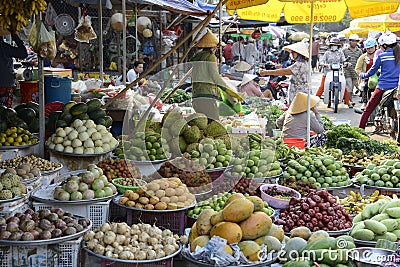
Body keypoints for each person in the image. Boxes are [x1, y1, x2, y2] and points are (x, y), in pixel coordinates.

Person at [190, 30, 244, 120]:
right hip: (206, 96)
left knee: (204, 125)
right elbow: (216, 78)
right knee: (214, 123)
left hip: (196, 95)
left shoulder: (198, 58)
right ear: (213, 47)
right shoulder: (210, 57)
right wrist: (232, 92)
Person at [358, 31, 400, 129]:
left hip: (383, 87)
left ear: (385, 45)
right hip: (397, 87)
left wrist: (363, 75)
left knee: (368, 109)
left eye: (380, 45)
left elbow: (371, 72)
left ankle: (360, 129)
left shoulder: (382, 56)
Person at [315, 38, 351, 107]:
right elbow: (322, 61)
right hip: (328, 72)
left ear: (338, 46)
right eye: (333, 45)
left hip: (338, 72)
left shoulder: (340, 53)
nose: (334, 46)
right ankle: (314, 102)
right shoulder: (327, 53)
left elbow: (344, 60)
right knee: (322, 87)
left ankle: (347, 101)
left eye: (336, 45)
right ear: (330, 45)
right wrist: (323, 64)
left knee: (343, 85)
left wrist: (347, 63)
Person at [0, 33, 28, 107]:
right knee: (5, 112)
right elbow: (23, 53)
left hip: (5, 83)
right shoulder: (4, 47)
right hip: (5, 83)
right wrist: (15, 37)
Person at [355, 37, 377, 110]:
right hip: (367, 76)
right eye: (368, 48)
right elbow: (357, 68)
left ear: (375, 47)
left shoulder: (379, 55)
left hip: (378, 76)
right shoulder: (363, 57)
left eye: (371, 47)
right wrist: (361, 74)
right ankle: (364, 102)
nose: (370, 50)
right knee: (365, 87)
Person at [343, 34, 363, 107]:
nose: (354, 42)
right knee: (349, 87)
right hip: (347, 71)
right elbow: (342, 60)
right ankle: (350, 101)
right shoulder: (345, 50)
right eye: (353, 41)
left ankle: (348, 99)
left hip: (356, 72)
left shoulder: (359, 51)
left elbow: (361, 61)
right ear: (349, 41)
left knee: (356, 86)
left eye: (356, 41)